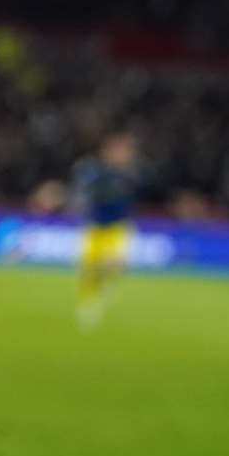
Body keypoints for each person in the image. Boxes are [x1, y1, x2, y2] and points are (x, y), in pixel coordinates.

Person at [72, 131, 140, 329]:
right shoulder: (96, 172)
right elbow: (87, 191)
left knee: (115, 264)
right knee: (88, 269)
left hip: (117, 228)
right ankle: (87, 304)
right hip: (96, 226)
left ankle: (106, 285)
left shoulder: (130, 176)